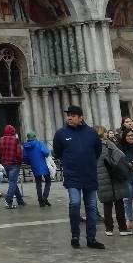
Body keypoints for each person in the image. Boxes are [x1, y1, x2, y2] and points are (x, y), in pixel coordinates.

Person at [53, 105, 104, 250]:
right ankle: (75, 235)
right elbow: (58, 152)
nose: (69, 117)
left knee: (92, 207)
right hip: (72, 175)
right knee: (74, 203)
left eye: (73, 115)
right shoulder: (61, 134)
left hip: (89, 175)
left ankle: (91, 238)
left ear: (80, 117)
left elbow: (97, 151)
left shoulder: (91, 133)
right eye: (68, 115)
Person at [96, 126, 132, 236]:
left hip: (101, 178)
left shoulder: (92, 147)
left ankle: (109, 229)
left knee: (107, 204)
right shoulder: (108, 144)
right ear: (103, 133)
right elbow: (120, 156)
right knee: (119, 203)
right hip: (114, 176)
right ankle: (122, 229)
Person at [23, 131, 53, 207]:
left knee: (38, 184)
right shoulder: (39, 143)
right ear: (34, 136)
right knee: (48, 181)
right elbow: (46, 152)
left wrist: (31, 162)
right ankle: (45, 197)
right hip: (43, 165)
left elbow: (25, 158)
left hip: (34, 166)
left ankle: (40, 201)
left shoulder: (25, 146)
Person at [0, 125, 24, 208]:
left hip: (5, 164)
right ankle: (8, 200)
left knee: (12, 182)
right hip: (14, 164)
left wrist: (2, 160)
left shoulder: (0, 140)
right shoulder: (15, 140)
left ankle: (20, 200)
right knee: (12, 182)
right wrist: (20, 161)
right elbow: (19, 153)